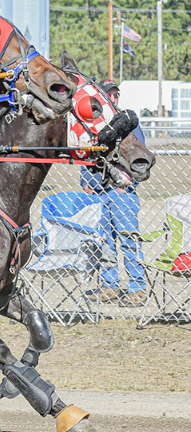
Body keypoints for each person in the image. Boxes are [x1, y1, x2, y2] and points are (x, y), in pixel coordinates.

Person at [81, 80, 147, 306]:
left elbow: (140, 155)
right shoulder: (94, 122)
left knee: (129, 240)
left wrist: (126, 183)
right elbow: (85, 152)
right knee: (104, 242)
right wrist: (86, 181)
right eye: (108, 94)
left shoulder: (128, 121)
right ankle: (110, 286)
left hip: (122, 192)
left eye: (115, 94)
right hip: (98, 192)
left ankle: (137, 288)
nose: (113, 98)